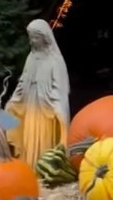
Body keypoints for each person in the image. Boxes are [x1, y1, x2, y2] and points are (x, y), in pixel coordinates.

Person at [6, 18, 70, 169]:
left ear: (45, 38)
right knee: (29, 137)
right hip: (30, 104)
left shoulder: (55, 60)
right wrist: (15, 99)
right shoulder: (31, 57)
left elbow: (60, 87)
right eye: (30, 38)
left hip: (45, 109)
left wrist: (57, 106)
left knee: (43, 139)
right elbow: (23, 81)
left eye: (35, 38)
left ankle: (43, 169)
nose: (32, 42)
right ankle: (28, 167)